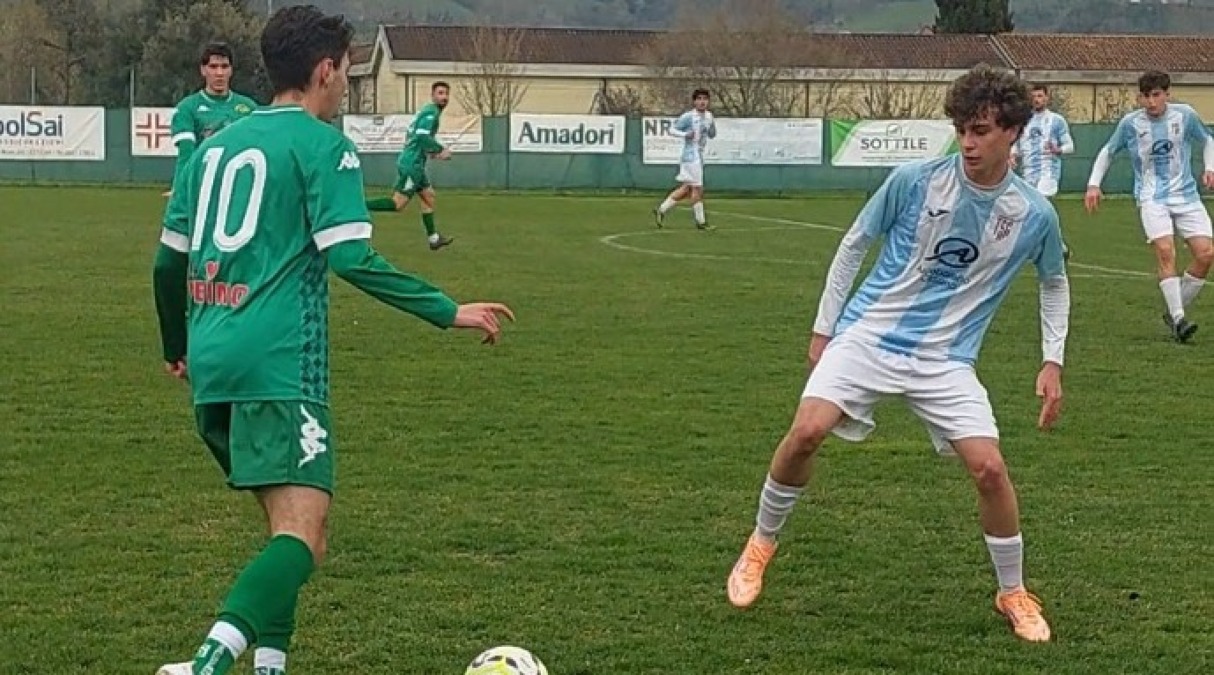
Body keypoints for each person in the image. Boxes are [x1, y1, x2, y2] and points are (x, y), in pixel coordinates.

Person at [151, 6, 514, 674]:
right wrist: (447, 309)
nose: (346, 84)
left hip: (210, 355)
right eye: (347, 71)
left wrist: (176, 344)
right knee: (301, 532)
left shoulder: (212, 149)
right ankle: (203, 664)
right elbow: (352, 260)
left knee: (296, 537)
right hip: (281, 362)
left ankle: (269, 665)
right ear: (324, 70)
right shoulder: (324, 146)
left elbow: (167, 263)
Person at [725, 64, 1069, 644]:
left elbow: (1054, 281)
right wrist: (823, 327)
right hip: (867, 336)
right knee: (807, 431)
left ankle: (1013, 591)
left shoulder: (1033, 213)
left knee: (989, 468)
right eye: (961, 128)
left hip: (946, 359)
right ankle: (760, 542)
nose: (967, 142)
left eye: (981, 130)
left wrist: (1052, 360)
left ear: (1012, 131)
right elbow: (854, 243)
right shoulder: (914, 180)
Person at [1085, 69, 1214, 343]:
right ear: (1139, 97)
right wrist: (1094, 184)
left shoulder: (1185, 115)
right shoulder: (1131, 124)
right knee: (1166, 251)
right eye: (1146, 96)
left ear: (1167, 94)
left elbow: (1207, 141)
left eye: (1157, 95)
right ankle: (1179, 319)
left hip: (1187, 196)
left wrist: (1210, 168)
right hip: (1152, 198)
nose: (1152, 102)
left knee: (1206, 255)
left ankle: (1174, 311)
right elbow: (1108, 152)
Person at [365, 81, 455, 250]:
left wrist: (431, 153)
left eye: (446, 94)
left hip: (416, 162)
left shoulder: (428, 111)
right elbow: (421, 137)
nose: (444, 97)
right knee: (398, 204)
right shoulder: (431, 113)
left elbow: (416, 138)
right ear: (433, 95)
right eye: (440, 93)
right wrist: (440, 149)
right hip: (412, 165)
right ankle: (359, 205)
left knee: (428, 196)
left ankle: (434, 239)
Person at [164, 42, 258, 197]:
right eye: (213, 67)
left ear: (231, 70)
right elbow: (186, 153)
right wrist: (180, 189)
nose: (219, 73)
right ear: (203, 70)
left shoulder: (248, 107)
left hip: (240, 187)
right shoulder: (188, 107)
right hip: (204, 187)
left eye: (224, 66)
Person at [1010, 84, 1074, 260]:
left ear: (1047, 98)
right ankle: (1058, 246)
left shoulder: (1056, 121)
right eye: (1034, 96)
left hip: (1048, 172)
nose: (1037, 99)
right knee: (1034, 210)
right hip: (1028, 173)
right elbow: (1015, 144)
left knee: (1040, 207)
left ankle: (1035, 246)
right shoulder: (1023, 121)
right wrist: (1013, 156)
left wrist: (1057, 150)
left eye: (1040, 96)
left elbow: (1070, 146)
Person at [653, 88, 716, 230]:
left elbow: (712, 134)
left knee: (687, 189)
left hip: (699, 156)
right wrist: (685, 134)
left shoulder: (709, 116)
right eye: (699, 99)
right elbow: (672, 130)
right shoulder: (689, 116)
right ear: (694, 101)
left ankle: (661, 210)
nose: (702, 102)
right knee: (697, 189)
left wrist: (711, 127)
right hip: (690, 156)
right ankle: (701, 222)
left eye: (705, 99)